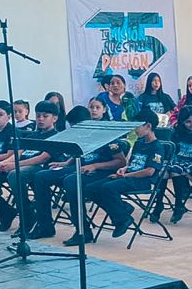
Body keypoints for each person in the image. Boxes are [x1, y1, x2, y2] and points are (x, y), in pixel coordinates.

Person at [29, 102, 128, 241]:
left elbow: (121, 162)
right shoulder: (81, 135)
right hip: (79, 166)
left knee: (71, 182)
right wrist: (65, 163)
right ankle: (44, 225)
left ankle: (83, 231)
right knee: (41, 176)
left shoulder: (106, 136)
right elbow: (80, 154)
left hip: (100, 170)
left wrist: (95, 166)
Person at [0, 101, 63, 232]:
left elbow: (42, 157)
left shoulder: (56, 136)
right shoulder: (32, 135)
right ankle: (5, 209)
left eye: (45, 116)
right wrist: (4, 163)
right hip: (19, 164)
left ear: (54, 118)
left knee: (15, 175)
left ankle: (27, 215)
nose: (40, 119)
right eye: (38, 116)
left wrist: (13, 165)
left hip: (38, 167)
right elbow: (19, 153)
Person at [83, 110, 163, 242]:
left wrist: (126, 175)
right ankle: (123, 208)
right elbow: (132, 163)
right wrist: (123, 169)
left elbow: (149, 171)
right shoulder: (139, 143)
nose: (135, 130)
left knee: (108, 188)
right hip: (129, 175)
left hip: (142, 180)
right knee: (90, 188)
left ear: (148, 126)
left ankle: (122, 219)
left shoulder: (157, 147)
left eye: (137, 126)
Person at [150, 106, 192, 225]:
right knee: (163, 171)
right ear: (182, 122)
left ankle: (179, 204)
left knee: (176, 170)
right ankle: (158, 204)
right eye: (188, 121)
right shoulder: (176, 132)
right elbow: (170, 151)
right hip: (175, 160)